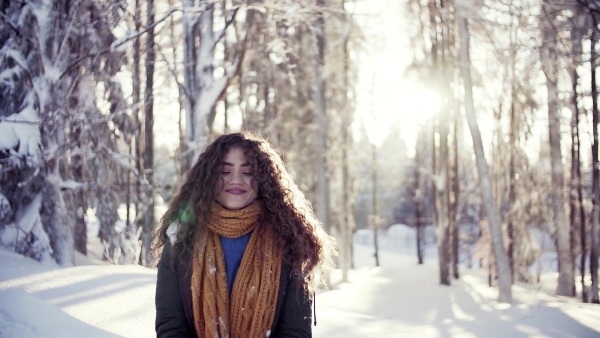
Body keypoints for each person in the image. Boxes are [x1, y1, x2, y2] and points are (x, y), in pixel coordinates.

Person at [154, 131, 336, 338]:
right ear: (210, 177)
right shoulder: (182, 239)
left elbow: (295, 332)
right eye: (225, 171)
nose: (236, 180)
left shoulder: (291, 241)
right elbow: (170, 326)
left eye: (248, 172)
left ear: (264, 179)